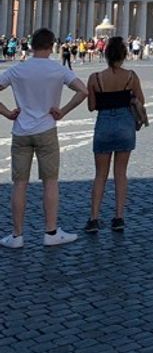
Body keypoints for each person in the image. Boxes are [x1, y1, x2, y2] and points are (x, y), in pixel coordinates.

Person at [0, 27, 88, 248]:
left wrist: (7, 112)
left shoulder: (18, 69)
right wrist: (63, 111)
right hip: (47, 129)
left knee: (19, 184)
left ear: (31, 46)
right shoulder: (57, 69)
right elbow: (83, 91)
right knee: (50, 181)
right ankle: (50, 232)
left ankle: (17, 235)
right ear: (51, 46)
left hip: (21, 131)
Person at [84, 35, 148, 234]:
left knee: (100, 174)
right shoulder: (131, 76)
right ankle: (119, 217)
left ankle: (94, 218)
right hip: (125, 125)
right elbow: (141, 101)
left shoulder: (95, 78)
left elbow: (92, 106)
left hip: (104, 125)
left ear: (105, 55)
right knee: (120, 173)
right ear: (124, 56)